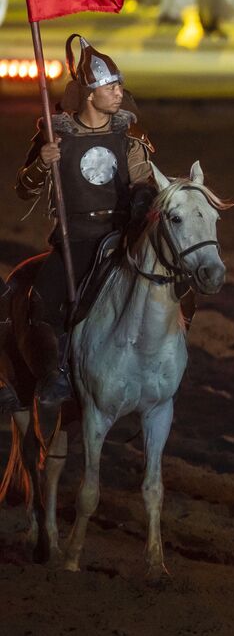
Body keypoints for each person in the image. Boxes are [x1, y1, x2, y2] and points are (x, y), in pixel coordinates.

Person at [14, 35, 155, 405]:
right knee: (40, 301)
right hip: (73, 237)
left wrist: (141, 203)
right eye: (111, 86)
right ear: (89, 93)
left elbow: (144, 182)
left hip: (119, 236)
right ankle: (51, 374)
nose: (119, 92)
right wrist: (42, 163)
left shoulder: (130, 134)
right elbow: (24, 190)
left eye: (119, 84)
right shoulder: (55, 133)